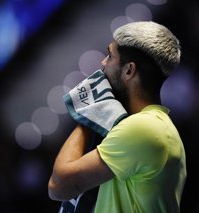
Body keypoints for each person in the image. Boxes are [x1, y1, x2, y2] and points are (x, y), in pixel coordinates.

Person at [48, 21, 187, 213]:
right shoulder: (153, 127)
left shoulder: (143, 128)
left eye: (110, 55)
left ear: (129, 70)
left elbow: (59, 186)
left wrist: (91, 113)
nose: (103, 63)